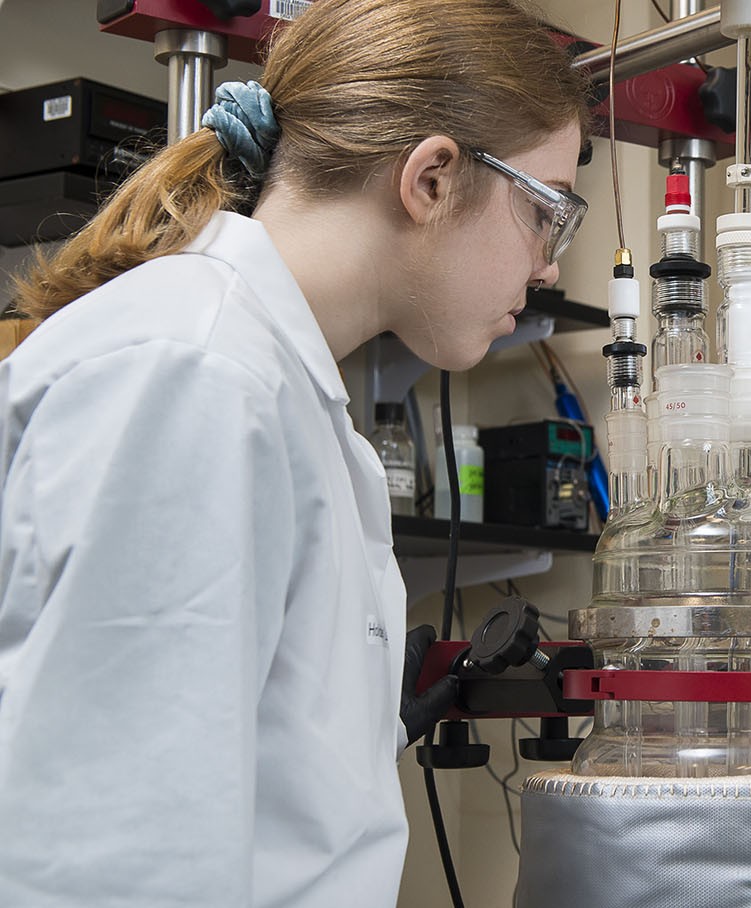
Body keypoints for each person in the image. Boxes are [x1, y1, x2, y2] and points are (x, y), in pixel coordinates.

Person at [0, 0, 590, 904]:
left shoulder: (281, 389)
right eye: (546, 211)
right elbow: (110, 861)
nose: (549, 265)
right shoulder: (198, 376)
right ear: (431, 178)